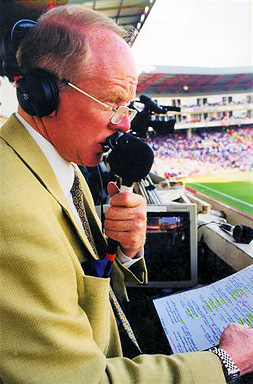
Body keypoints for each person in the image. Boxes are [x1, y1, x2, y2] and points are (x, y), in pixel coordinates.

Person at [0, 5, 252, 384]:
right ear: (41, 94)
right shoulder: (13, 212)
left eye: (127, 105)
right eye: (112, 101)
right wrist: (225, 363)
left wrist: (127, 253)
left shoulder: (61, 162)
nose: (125, 122)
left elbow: (82, 291)